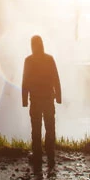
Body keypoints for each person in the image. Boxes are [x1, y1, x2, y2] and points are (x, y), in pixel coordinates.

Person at [21, 35, 61, 167]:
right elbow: (56, 79)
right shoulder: (49, 59)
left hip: (37, 100)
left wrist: (25, 100)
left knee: (37, 128)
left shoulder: (29, 60)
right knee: (50, 127)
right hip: (48, 99)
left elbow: (25, 82)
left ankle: (37, 155)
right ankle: (50, 154)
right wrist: (58, 97)